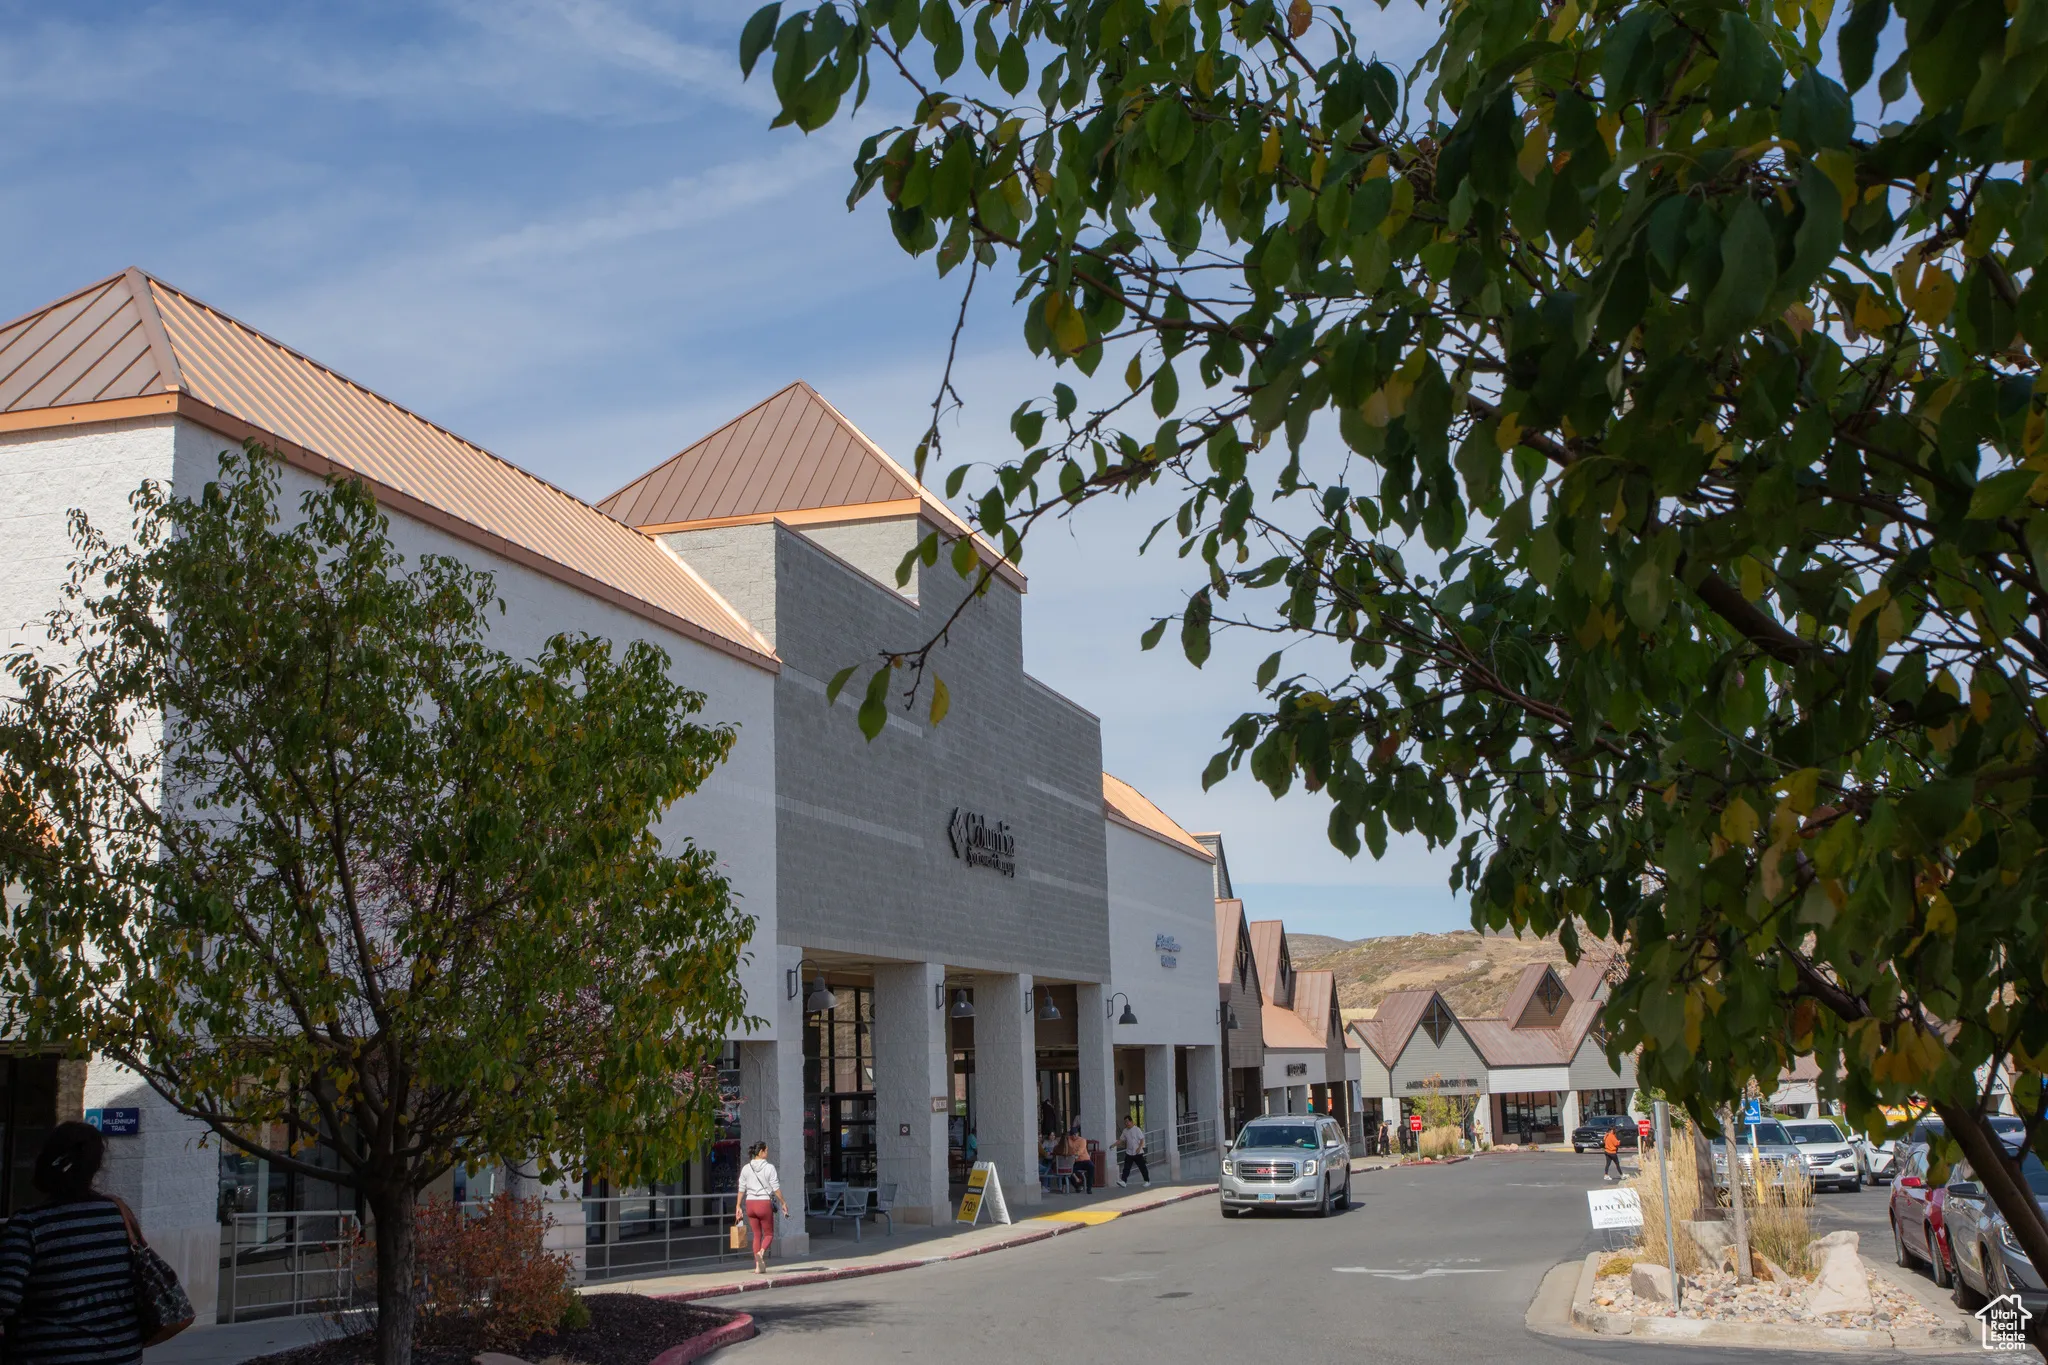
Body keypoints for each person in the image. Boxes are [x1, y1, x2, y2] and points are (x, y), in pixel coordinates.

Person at [0, 1121, 145, 1364]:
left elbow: (5, 1298)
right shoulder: (118, 1216)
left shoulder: (30, 1224)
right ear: (95, 1167)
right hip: (123, 1354)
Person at [734, 1141, 790, 1274]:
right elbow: (776, 1189)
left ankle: (758, 1266)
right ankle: (762, 1252)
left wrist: (738, 1205)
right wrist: (783, 1202)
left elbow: (741, 1188)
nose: (768, 1153)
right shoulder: (769, 1168)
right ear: (761, 1152)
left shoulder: (746, 1168)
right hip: (763, 1204)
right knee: (769, 1234)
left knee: (756, 1235)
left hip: (750, 1204)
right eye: (766, 1150)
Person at [1117, 1114, 1150, 1187]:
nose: (1126, 1123)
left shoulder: (1137, 1129)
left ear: (1131, 1121)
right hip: (1129, 1152)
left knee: (1142, 1167)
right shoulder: (1125, 1131)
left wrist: (1139, 1148)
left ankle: (1147, 1181)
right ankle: (1124, 1181)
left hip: (1137, 1153)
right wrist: (1113, 1145)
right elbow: (1121, 1140)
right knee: (1126, 1167)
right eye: (1125, 1122)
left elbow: (1142, 1139)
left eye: (1127, 1122)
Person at [1061, 1126, 1095, 1193]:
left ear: (1078, 1133)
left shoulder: (1082, 1140)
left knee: (1091, 1166)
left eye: (1075, 1134)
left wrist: (1075, 1155)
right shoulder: (1068, 1139)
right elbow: (1063, 1141)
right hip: (1076, 1161)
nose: (1074, 1136)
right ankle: (1077, 1186)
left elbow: (1081, 1150)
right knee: (1068, 1171)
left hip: (1085, 1160)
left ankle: (1089, 1188)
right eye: (1072, 1134)